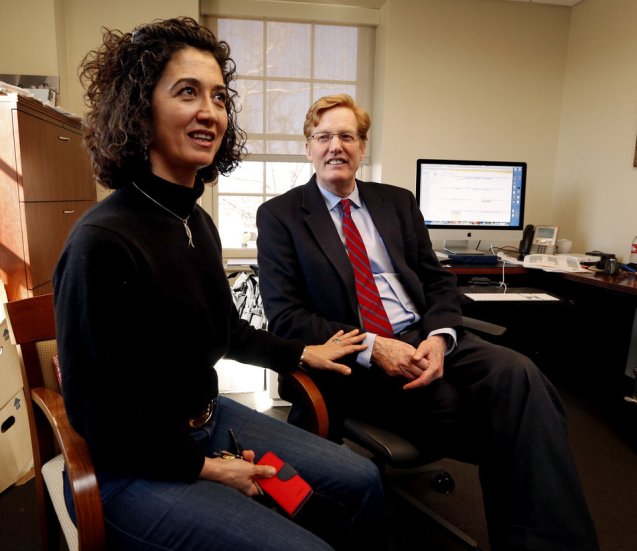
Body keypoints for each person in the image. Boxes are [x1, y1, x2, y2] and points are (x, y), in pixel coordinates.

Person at [53, 22, 383, 550]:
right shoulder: (102, 242)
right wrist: (208, 468)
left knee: (362, 480)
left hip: (209, 420)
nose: (211, 112)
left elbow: (225, 331)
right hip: (132, 465)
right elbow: (98, 419)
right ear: (140, 110)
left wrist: (302, 352)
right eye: (188, 92)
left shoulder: (195, 221)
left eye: (220, 97)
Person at [256, 93, 599, 551]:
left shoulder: (396, 202)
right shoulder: (281, 216)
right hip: (361, 357)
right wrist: (374, 347)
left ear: (362, 147)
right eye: (324, 137)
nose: (335, 146)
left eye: (347, 136)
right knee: (515, 421)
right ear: (308, 148)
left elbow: (437, 280)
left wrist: (440, 337)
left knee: (521, 374)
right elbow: (287, 316)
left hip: (426, 335)